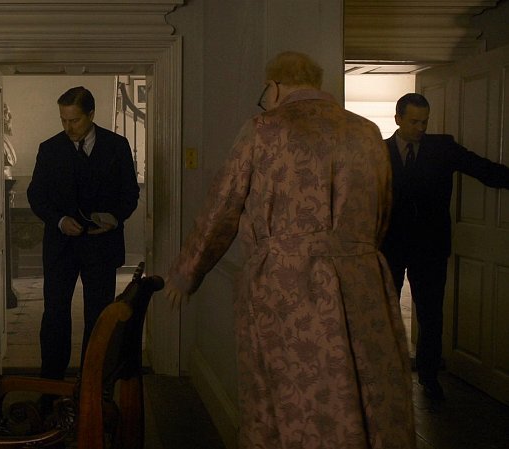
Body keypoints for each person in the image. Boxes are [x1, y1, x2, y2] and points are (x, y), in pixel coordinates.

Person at [165, 52, 415, 448]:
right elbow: (383, 209)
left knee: (291, 391)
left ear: (275, 86)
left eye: (265, 92)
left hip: (286, 283)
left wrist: (186, 273)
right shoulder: (367, 131)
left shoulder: (264, 129)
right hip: (362, 277)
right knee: (364, 381)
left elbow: (222, 208)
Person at [380, 92, 509, 401]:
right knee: (384, 314)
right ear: (397, 119)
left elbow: (484, 170)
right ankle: (386, 376)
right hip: (389, 247)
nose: (421, 128)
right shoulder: (378, 151)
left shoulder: (442, 148)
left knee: (430, 315)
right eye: (414, 122)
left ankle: (429, 377)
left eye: (425, 122)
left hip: (430, 247)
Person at [27, 86, 139, 381]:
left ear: (91, 114)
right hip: (60, 247)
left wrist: (115, 217)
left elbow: (130, 193)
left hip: (102, 247)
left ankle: (93, 385)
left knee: (99, 318)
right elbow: (36, 196)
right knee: (55, 316)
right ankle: (51, 385)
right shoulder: (49, 148)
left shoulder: (117, 146)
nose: (68, 127)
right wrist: (60, 220)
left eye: (74, 120)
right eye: (63, 120)